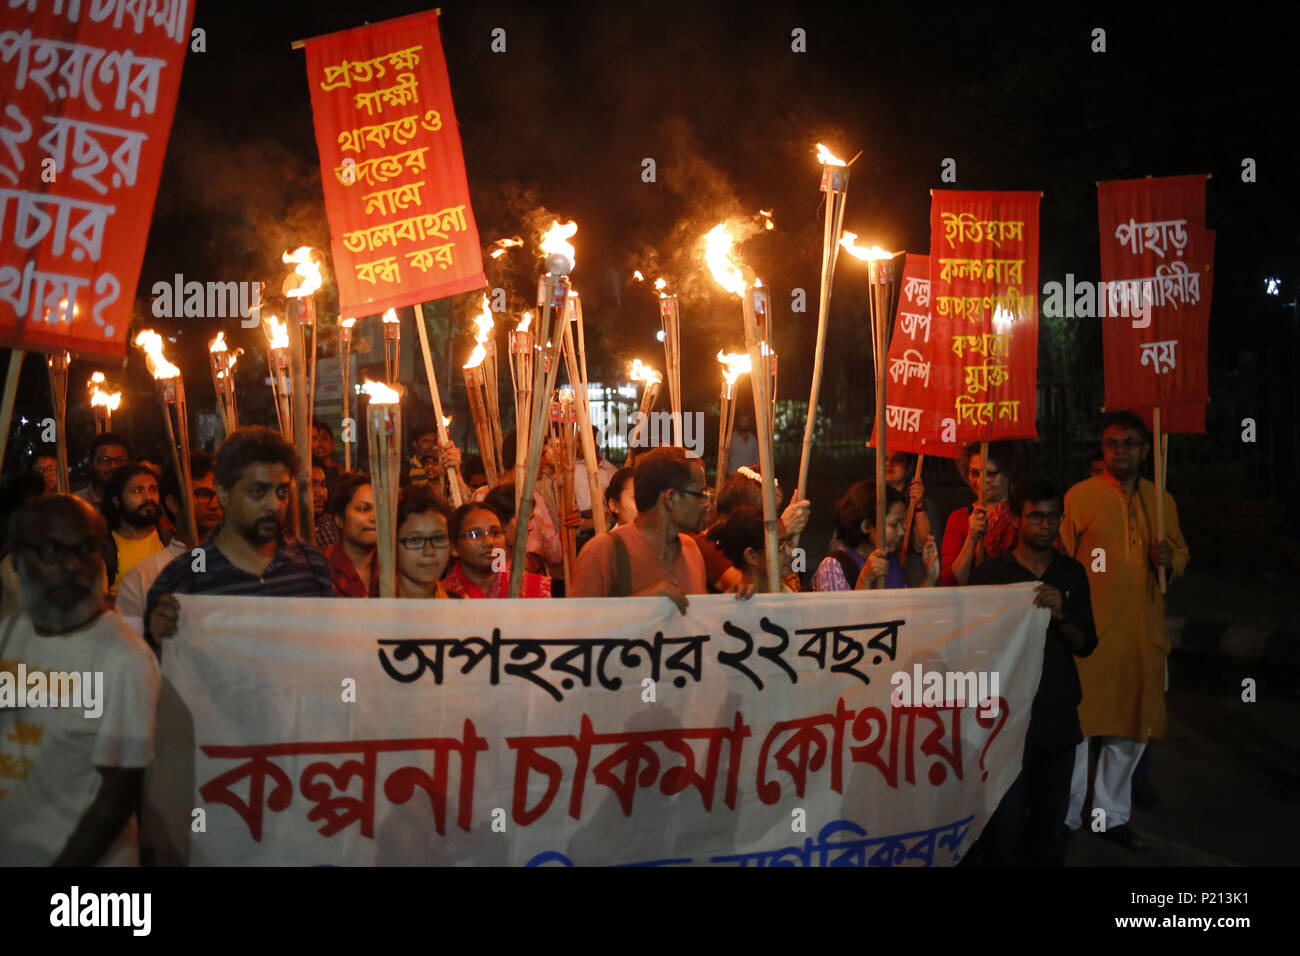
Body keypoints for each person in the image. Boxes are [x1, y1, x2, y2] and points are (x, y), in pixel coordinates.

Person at [0, 495, 160, 865]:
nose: (72, 565)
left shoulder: (124, 656)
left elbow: (119, 794)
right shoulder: (9, 636)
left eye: (87, 548)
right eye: (52, 550)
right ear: (19, 561)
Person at [1059, 411, 1188, 850]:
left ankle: (1108, 817)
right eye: (1112, 443)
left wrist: (1170, 559)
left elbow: (1182, 556)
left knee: (1130, 732)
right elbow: (1062, 560)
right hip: (1089, 635)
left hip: (1139, 634)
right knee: (1078, 728)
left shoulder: (1160, 501)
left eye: (1130, 443)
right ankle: (1067, 816)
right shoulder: (1080, 497)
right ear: (1103, 448)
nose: (1121, 451)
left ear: (1146, 450)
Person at [968, 477, 1098, 866]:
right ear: (1016, 519)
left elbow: (1087, 644)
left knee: (1049, 826)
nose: (1045, 526)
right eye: (1036, 517)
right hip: (1006, 723)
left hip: (1057, 719)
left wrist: (1061, 615)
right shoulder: (992, 574)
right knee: (1004, 827)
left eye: (1053, 518)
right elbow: (975, 645)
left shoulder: (1072, 574)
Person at [144, 427, 332, 646]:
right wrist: (158, 640)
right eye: (258, 492)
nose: (274, 505)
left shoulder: (310, 563)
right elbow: (152, 672)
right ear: (223, 492)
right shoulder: (183, 578)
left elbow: (328, 652)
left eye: (281, 492)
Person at [569, 446, 709, 612]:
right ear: (670, 498)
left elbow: (703, 619)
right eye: (700, 494)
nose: (705, 504)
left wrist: (738, 600)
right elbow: (577, 628)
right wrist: (637, 606)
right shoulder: (603, 552)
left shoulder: (691, 549)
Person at [115, 454, 223, 635]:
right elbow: (130, 649)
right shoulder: (144, 576)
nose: (215, 505)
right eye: (203, 495)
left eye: (221, 494)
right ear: (173, 503)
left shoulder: (246, 566)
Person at [813, 480, 936, 591]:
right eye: (894, 524)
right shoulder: (832, 567)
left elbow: (907, 611)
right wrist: (865, 579)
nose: (901, 532)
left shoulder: (891, 562)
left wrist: (930, 577)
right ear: (866, 526)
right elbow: (840, 616)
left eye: (902, 524)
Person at [940, 441, 1023, 586]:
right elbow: (949, 583)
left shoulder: (1023, 516)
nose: (980, 481)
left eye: (990, 474)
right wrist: (971, 540)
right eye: (974, 473)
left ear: (1008, 473)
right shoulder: (959, 518)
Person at [443, 501, 551, 598]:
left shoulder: (538, 588)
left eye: (495, 532)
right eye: (475, 534)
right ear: (453, 547)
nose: (489, 542)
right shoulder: (441, 596)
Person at [102, 463, 170, 599]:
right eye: (138, 490)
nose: (148, 497)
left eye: (153, 489)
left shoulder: (171, 539)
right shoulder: (104, 549)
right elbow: (100, 605)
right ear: (117, 500)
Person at [706, 504, 796, 594]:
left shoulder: (786, 593)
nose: (790, 552)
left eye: (789, 543)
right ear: (751, 556)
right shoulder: (734, 604)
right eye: (779, 546)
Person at [885, 451, 943, 587]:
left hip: (915, 583)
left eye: (897, 460)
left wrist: (918, 505)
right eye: (885, 458)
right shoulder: (872, 501)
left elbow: (926, 543)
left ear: (909, 468)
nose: (888, 464)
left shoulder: (923, 504)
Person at [395, 485, 459, 599]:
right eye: (415, 540)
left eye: (438, 538)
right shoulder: (371, 610)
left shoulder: (460, 609)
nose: (429, 551)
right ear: (394, 546)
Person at [326, 473, 378, 598]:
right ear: (339, 520)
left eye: (380, 510)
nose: (375, 517)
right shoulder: (323, 568)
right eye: (363, 509)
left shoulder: (395, 565)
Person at [574, 426, 617, 547]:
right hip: (579, 537)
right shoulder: (572, 471)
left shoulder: (611, 472)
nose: (576, 445)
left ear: (593, 443)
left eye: (578, 441)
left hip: (607, 532)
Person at [406, 422, 471, 501]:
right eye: (426, 441)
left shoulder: (450, 473)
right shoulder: (406, 470)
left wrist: (456, 473)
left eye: (435, 441)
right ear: (415, 444)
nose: (432, 445)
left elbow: (465, 498)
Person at [72, 432, 132, 508]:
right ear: (91, 463)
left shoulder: (137, 501)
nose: (114, 466)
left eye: (121, 459)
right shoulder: (77, 503)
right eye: (105, 460)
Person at [311, 463, 339, 550]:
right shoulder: (284, 535)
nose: (321, 494)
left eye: (323, 485)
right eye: (311, 485)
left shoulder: (329, 524)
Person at [725, 407, 760, 477]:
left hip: (749, 477)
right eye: (742, 421)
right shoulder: (730, 439)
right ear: (737, 422)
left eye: (747, 421)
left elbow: (757, 460)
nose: (745, 423)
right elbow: (724, 459)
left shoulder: (753, 440)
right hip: (733, 476)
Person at [311, 419, 342, 488]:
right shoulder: (308, 472)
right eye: (315, 439)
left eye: (324, 439)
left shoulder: (343, 472)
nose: (319, 444)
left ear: (332, 443)